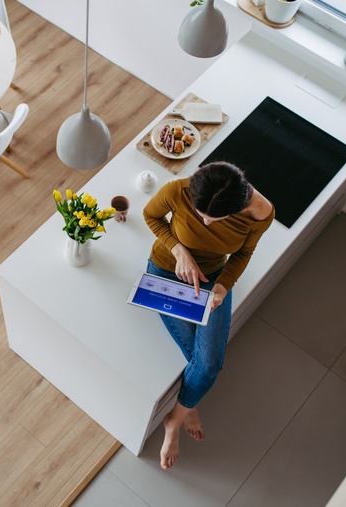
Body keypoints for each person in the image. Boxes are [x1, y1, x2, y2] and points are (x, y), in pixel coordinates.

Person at [143, 161, 274, 470]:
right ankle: (189, 407)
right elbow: (151, 215)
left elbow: (243, 253)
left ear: (238, 207)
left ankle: (173, 420)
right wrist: (178, 250)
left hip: (211, 281)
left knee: (210, 363)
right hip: (165, 272)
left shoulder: (260, 211)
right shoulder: (179, 189)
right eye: (200, 214)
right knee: (204, 364)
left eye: (214, 219)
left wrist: (223, 287)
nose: (205, 222)